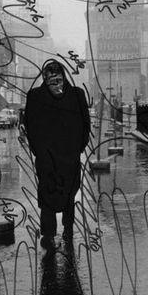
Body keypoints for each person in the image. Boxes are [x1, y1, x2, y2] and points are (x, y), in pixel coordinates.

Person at [24, 60, 91, 248]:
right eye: (52, 82)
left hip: (70, 156)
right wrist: (39, 151)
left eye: (59, 80)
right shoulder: (35, 97)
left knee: (70, 192)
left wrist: (78, 148)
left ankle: (68, 228)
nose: (57, 85)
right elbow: (30, 126)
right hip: (47, 158)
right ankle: (48, 233)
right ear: (45, 81)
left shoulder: (77, 95)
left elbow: (86, 125)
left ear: (64, 78)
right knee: (47, 194)